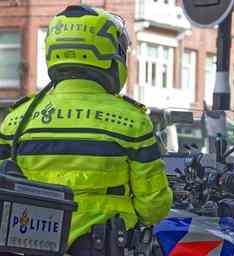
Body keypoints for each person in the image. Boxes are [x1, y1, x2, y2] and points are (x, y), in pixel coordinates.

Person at [0, 5, 172, 255]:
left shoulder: (16, 120)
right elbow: (154, 207)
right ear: (110, 55)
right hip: (103, 246)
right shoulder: (132, 122)